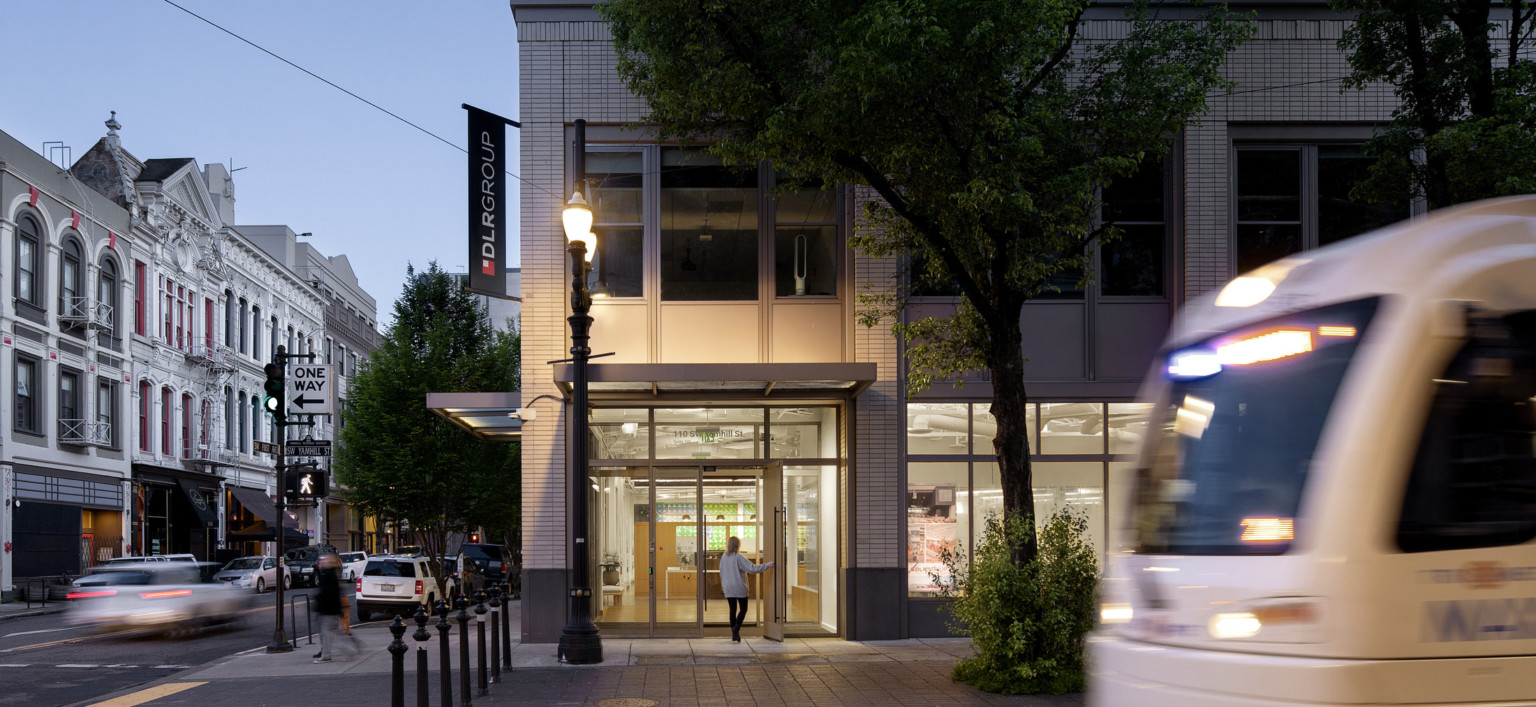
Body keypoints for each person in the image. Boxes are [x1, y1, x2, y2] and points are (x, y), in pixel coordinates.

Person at [718, 536, 773, 643]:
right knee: (743, 609)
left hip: (728, 587)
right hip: (739, 586)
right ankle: (736, 628)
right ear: (738, 545)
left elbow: (721, 572)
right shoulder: (739, 557)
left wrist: (724, 586)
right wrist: (768, 565)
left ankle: (734, 634)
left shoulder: (724, 557)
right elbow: (752, 568)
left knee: (732, 610)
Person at [313, 553, 360, 662]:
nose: (321, 562)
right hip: (331, 609)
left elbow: (329, 593)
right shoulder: (331, 573)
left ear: (329, 562)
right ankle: (349, 651)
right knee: (334, 633)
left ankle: (327, 656)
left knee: (327, 634)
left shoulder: (330, 575)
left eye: (323, 560)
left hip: (328, 610)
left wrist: (319, 600)